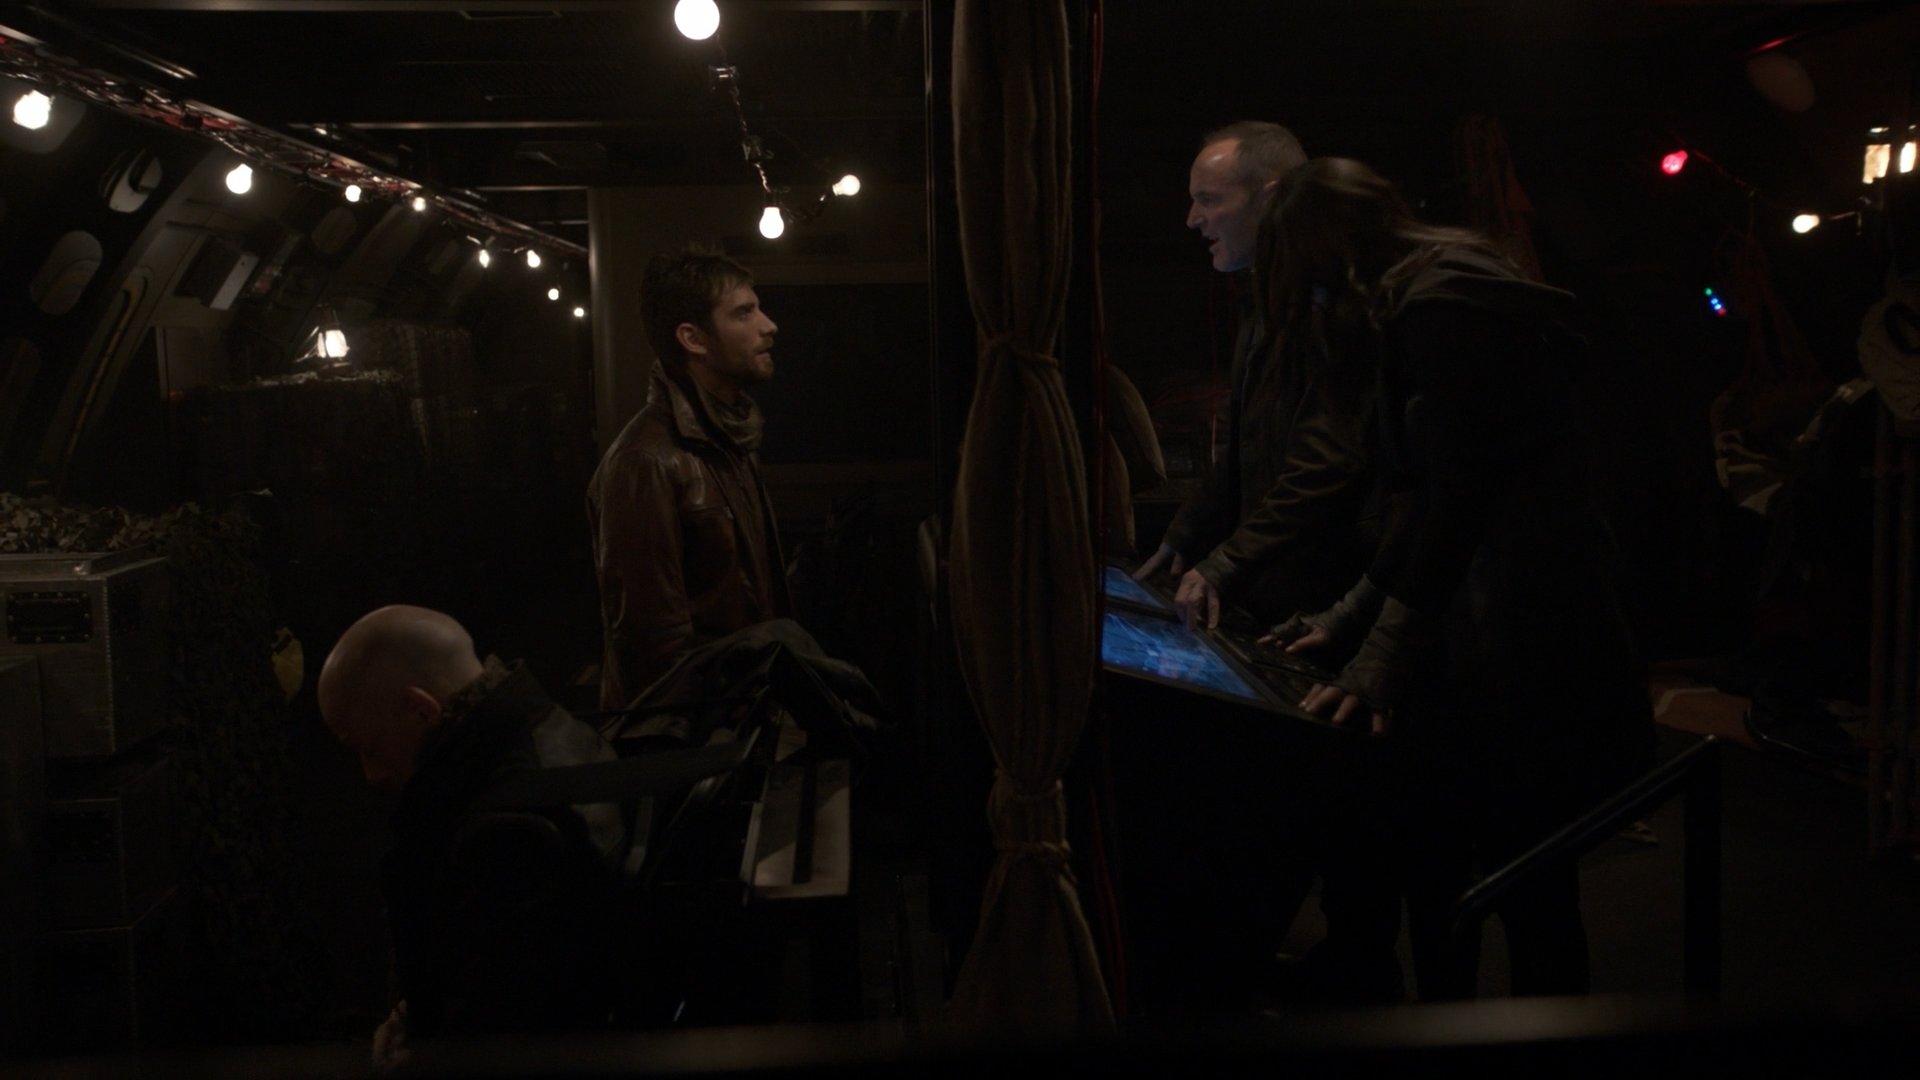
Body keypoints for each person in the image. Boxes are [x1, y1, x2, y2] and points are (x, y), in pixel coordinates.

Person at [1261, 158, 1655, 997]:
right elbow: (1430, 497)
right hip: (1505, 622)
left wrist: (1377, 654)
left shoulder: (1438, 312)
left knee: (1522, 879)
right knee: (1476, 875)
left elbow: (1457, 501)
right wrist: (1348, 615)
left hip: (1519, 637)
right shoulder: (1444, 289)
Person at [317, 605, 627, 1066]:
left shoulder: (502, 840)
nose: (371, 774)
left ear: (420, 710)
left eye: (369, 748)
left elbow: (489, 1040)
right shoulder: (549, 732)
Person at [1136, 121, 1377, 634]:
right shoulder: (1266, 299)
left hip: (1329, 595)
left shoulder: (1328, 305)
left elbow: (1325, 465)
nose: (1192, 219)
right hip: (1281, 587)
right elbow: (1243, 448)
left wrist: (1224, 564)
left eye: (1208, 199)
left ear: (1272, 198)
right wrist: (1185, 533)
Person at [589, 245, 791, 710]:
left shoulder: (727, 438)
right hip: (699, 734)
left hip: (743, 716)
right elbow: (654, 651)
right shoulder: (646, 462)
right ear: (693, 339)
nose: (769, 325)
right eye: (744, 313)